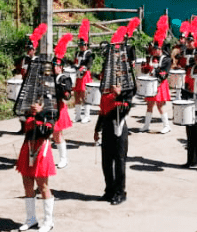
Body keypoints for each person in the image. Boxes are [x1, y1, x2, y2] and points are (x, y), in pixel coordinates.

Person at [16, 95, 57, 231]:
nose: (34, 104)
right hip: (27, 148)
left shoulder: (50, 115)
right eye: (33, 102)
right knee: (27, 185)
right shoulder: (28, 114)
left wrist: (39, 114)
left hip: (41, 150)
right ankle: (31, 219)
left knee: (42, 185)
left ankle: (48, 221)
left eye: (38, 103)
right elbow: (21, 121)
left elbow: (46, 131)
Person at [93, 75, 133, 204]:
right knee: (106, 162)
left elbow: (126, 108)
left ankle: (120, 192)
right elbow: (102, 113)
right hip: (107, 129)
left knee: (119, 162)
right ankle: (109, 190)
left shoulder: (125, 95)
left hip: (120, 130)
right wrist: (97, 129)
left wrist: (119, 94)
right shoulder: (105, 96)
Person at [140, 25, 172, 134]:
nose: (153, 50)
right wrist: (145, 69)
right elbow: (147, 71)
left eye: (155, 49)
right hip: (151, 83)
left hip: (160, 84)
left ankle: (167, 126)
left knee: (160, 105)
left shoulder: (167, 59)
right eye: (153, 48)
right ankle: (146, 125)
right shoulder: (152, 57)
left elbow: (164, 73)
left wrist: (153, 70)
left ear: (160, 49)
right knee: (149, 105)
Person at [52, 56, 73, 169]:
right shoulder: (50, 78)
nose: (55, 68)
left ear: (61, 67)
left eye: (57, 66)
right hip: (49, 107)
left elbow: (67, 95)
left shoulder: (64, 79)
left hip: (58, 108)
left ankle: (63, 159)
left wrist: (65, 92)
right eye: (54, 66)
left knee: (57, 135)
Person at [72, 20, 94, 123]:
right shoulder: (77, 53)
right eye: (80, 45)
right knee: (77, 94)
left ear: (86, 45)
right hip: (77, 75)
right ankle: (77, 116)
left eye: (83, 45)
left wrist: (82, 68)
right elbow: (75, 62)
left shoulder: (89, 54)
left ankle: (87, 115)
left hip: (85, 75)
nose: (81, 47)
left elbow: (88, 65)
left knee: (85, 95)